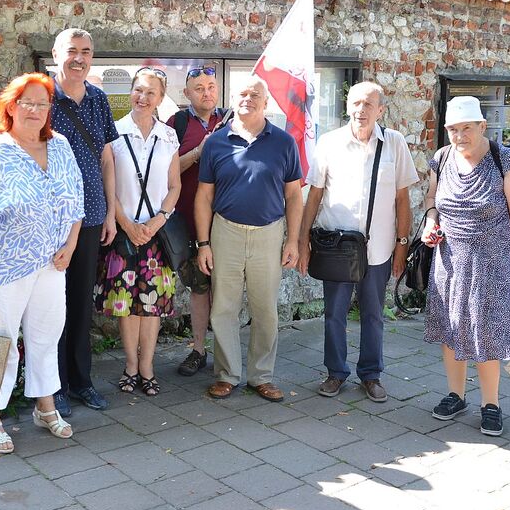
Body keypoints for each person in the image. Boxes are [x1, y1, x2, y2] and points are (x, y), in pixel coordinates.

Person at [0, 73, 84, 454]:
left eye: (42, 103)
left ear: (49, 110)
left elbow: (76, 200)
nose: (34, 110)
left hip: (52, 263)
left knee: (46, 336)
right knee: (2, 343)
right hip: (5, 266)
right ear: (11, 107)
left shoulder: (60, 146)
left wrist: (72, 245)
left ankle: (45, 405)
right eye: (27, 102)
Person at [422, 96, 510, 436]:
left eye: (466, 129)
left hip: (494, 264)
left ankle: (491, 404)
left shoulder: (503, 158)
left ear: (482, 126)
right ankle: (455, 395)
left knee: (486, 332)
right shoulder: (442, 158)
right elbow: (433, 201)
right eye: (453, 130)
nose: (459, 136)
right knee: (451, 327)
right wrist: (432, 222)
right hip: (450, 262)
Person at [297, 82, 419, 402]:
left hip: (378, 248)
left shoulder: (394, 144)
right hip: (336, 247)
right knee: (334, 313)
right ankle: (335, 372)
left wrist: (402, 247)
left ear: (381, 110)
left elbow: (403, 200)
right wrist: (302, 242)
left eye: (368, 104)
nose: (361, 110)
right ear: (347, 107)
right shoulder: (329, 143)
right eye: (355, 103)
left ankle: (371, 374)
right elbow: (314, 197)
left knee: (373, 314)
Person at [194, 75, 303, 401]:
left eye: (255, 95)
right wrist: (204, 244)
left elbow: (294, 196)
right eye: (242, 94)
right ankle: (227, 375)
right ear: (233, 100)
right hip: (225, 231)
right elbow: (203, 197)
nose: (248, 99)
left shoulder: (284, 142)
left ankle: (261, 376)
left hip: (269, 234)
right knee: (224, 308)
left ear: (266, 102)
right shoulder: (216, 142)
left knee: (265, 309)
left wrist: (293, 240)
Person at [95, 67, 181, 396]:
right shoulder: (114, 134)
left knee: (152, 305)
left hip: (156, 235)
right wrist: (128, 225)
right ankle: (131, 365)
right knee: (126, 306)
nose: (143, 98)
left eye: (151, 93)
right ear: (131, 91)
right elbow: (109, 186)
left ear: (161, 98)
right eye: (138, 90)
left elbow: (174, 186)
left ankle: (148, 367)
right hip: (124, 233)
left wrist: (157, 221)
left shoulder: (168, 137)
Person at [49, 28, 118, 416]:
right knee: (50, 305)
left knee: (80, 303)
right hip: (52, 219)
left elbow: (107, 158)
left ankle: (81, 382)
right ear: (56, 54)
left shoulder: (98, 100)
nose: (79, 58)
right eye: (72, 51)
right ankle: (52, 385)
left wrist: (110, 211)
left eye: (86, 52)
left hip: (91, 215)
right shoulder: (43, 97)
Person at [167, 66, 229, 377]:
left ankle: (225, 352)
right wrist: (197, 152)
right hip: (189, 222)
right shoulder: (176, 123)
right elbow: (165, 173)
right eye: (199, 88)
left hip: (227, 221)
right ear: (187, 93)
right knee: (199, 287)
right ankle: (198, 349)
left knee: (226, 289)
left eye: (210, 86)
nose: (206, 92)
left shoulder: (232, 120)